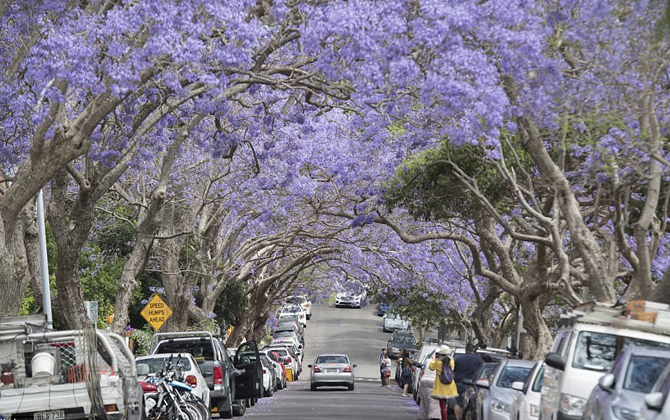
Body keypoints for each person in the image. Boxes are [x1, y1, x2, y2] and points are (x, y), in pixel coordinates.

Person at [453, 343, 484, 420]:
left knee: (458, 403)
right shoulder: (479, 361)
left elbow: (453, 372)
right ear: (473, 350)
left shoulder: (458, 359)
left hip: (458, 384)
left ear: (465, 349)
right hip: (471, 386)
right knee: (469, 406)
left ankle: (457, 417)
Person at [429, 345, 458, 420]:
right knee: (448, 406)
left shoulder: (438, 363)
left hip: (441, 387)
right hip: (450, 386)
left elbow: (431, 367)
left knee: (442, 407)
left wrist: (433, 359)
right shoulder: (451, 361)